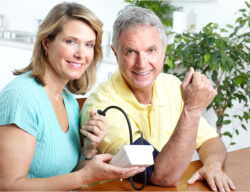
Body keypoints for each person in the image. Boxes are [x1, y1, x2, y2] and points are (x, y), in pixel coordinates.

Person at [80, 6, 236, 192]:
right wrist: (192, 110)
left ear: (164, 50)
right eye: (131, 51)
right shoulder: (102, 106)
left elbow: (210, 141)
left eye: (151, 50)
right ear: (115, 54)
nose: (142, 63)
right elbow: (160, 176)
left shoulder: (171, 85)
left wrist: (212, 165)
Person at [0, 3, 145, 191]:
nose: (81, 54)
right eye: (71, 41)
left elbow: (67, 179)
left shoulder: (69, 102)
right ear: (46, 43)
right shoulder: (21, 98)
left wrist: (89, 149)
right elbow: (6, 186)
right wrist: (86, 176)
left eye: (89, 45)